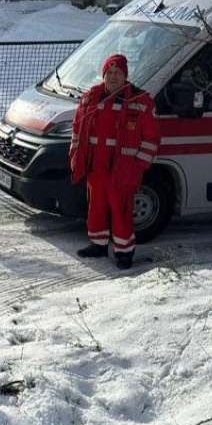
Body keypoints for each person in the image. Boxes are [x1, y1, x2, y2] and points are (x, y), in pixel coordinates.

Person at [69, 54, 161, 269]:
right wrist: (76, 157)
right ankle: (98, 244)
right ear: (103, 75)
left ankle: (124, 252)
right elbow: (76, 131)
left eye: (117, 73)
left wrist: (138, 166)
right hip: (96, 167)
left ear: (125, 75)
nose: (112, 77)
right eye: (109, 73)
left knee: (121, 212)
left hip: (122, 169)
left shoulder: (141, 102)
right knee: (96, 207)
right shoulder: (90, 98)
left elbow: (152, 139)